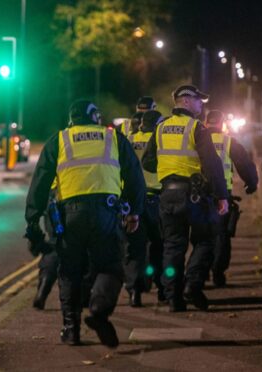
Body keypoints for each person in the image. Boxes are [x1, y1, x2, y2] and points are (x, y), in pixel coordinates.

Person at [25, 99, 145, 348]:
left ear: (72, 120)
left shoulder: (60, 140)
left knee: (69, 271)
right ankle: (99, 309)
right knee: (110, 267)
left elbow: (40, 181)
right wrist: (133, 212)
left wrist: (33, 218)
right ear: (96, 118)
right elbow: (134, 176)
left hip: (70, 216)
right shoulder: (113, 138)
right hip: (106, 213)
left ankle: (71, 329)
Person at [142, 85, 229, 312]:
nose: (202, 105)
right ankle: (192, 284)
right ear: (187, 101)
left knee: (173, 247)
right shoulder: (196, 128)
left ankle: (173, 298)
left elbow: (148, 162)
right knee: (205, 241)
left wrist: (169, 168)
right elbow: (212, 163)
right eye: (199, 101)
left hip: (167, 195)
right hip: (193, 195)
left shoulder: (160, 128)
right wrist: (221, 196)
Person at [204, 110, 258, 287]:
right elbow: (244, 163)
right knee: (221, 237)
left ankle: (199, 275)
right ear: (221, 124)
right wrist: (251, 183)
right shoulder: (228, 142)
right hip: (222, 197)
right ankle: (218, 274)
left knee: (201, 237)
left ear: (206, 123)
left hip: (199, 195)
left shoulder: (196, 140)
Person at [124, 110, 166, 306]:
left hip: (134, 201)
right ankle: (162, 287)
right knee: (159, 246)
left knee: (135, 248)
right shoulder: (160, 139)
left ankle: (135, 291)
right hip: (157, 199)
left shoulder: (130, 139)